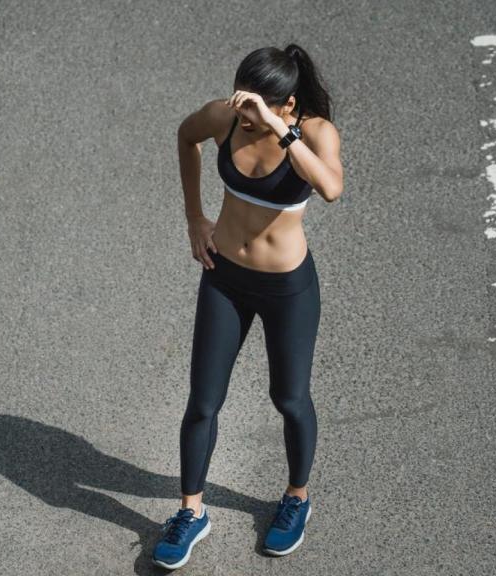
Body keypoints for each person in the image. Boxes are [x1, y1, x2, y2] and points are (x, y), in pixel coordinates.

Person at [152, 43, 344, 570]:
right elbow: (186, 136)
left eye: (257, 112)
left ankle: (296, 498)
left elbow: (330, 187)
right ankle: (191, 512)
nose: (245, 120)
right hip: (225, 279)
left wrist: (282, 131)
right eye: (242, 109)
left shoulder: (316, 132)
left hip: (288, 288)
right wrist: (195, 216)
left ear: (287, 104)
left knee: (289, 399)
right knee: (203, 402)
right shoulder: (225, 116)